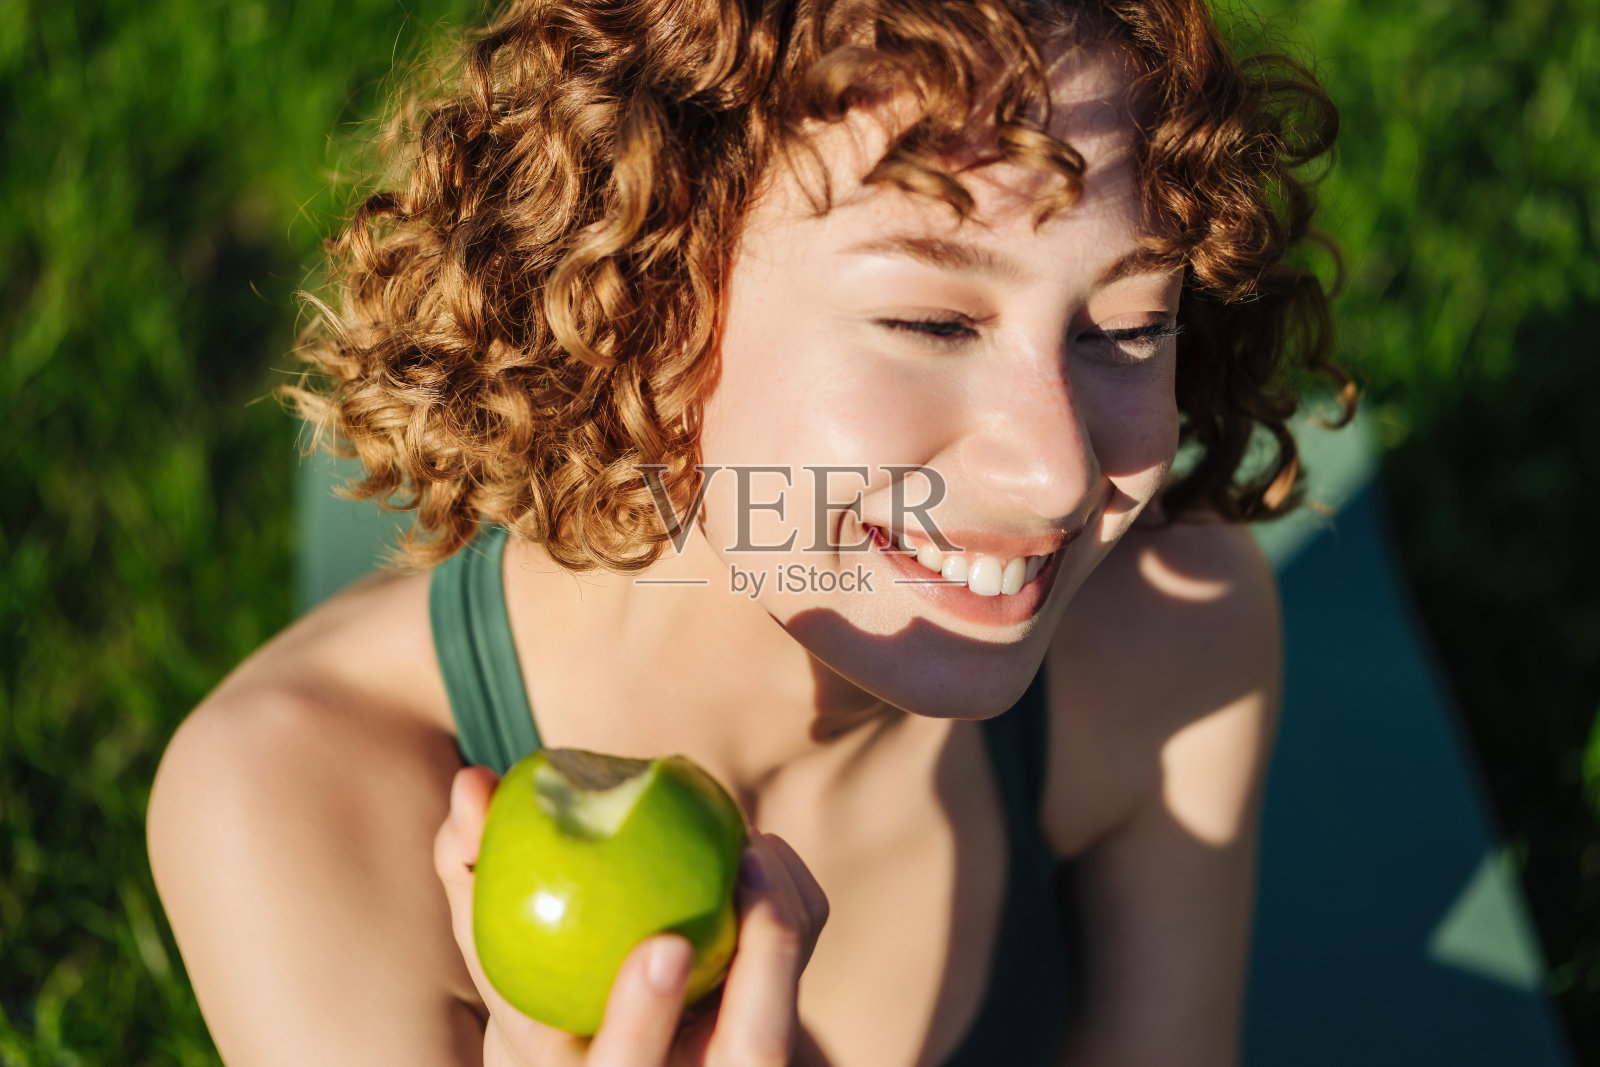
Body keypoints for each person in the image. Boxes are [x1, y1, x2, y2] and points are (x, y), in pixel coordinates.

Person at [146, 0, 1351, 1063]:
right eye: (932, 322)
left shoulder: (1172, 635)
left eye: (1129, 328)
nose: (1057, 473)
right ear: (644, 298)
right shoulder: (296, 809)